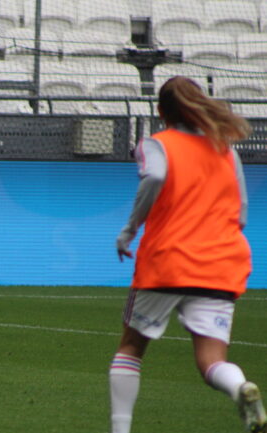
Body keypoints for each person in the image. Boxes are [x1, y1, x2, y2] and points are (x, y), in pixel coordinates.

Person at [111, 76, 266, 433]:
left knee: (131, 348)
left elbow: (153, 178)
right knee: (212, 361)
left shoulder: (157, 144)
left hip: (168, 261)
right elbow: (241, 211)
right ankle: (240, 388)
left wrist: (130, 230)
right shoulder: (225, 149)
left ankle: (120, 430)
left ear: (161, 111)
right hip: (221, 264)